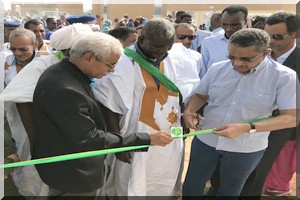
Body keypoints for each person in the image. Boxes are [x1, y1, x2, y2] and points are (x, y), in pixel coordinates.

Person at [32, 32, 173, 197]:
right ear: (89, 58)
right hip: (74, 175)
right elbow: (89, 139)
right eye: (110, 64)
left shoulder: (62, 72)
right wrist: (146, 138)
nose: (112, 70)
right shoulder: (66, 90)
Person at [182, 28, 298, 197]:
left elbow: (290, 118)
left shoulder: (284, 77)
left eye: (246, 59)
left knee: (230, 191)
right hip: (206, 141)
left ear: (265, 53)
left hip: (246, 148)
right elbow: (200, 94)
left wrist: (246, 128)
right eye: (232, 57)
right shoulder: (217, 68)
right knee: (192, 185)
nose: (237, 64)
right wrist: (189, 110)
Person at [92, 18, 184, 196]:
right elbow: (108, 104)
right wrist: (119, 144)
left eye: (168, 46)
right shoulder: (122, 62)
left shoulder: (170, 59)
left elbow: (177, 94)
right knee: (132, 181)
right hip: (134, 135)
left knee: (163, 177)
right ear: (141, 40)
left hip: (168, 133)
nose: (163, 51)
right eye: (158, 46)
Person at [0, 23, 93, 197]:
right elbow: (21, 100)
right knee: (39, 180)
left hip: (73, 133)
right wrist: (35, 140)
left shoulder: (87, 65)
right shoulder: (43, 64)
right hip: (42, 134)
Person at [241, 12, 299, 197]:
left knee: (267, 170)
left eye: (277, 36)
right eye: (267, 36)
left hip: (286, 128)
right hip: (251, 124)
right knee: (249, 171)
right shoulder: (258, 55)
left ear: (294, 34)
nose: (270, 40)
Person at [199, 5, 248, 78]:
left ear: (245, 22)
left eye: (234, 25)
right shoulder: (208, 42)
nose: (228, 29)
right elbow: (203, 72)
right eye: (224, 24)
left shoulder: (256, 44)